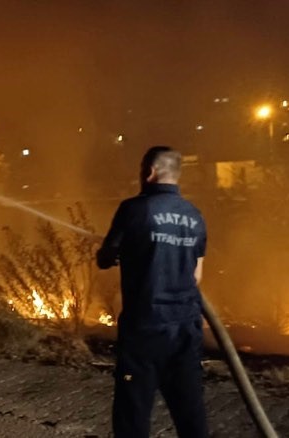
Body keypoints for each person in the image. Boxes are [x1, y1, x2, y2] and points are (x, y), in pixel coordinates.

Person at [97, 146, 208, 438]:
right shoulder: (195, 216)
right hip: (185, 327)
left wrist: (115, 253)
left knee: (133, 412)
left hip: (144, 328)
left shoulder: (134, 209)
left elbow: (105, 258)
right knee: (190, 411)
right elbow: (196, 275)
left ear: (149, 172)